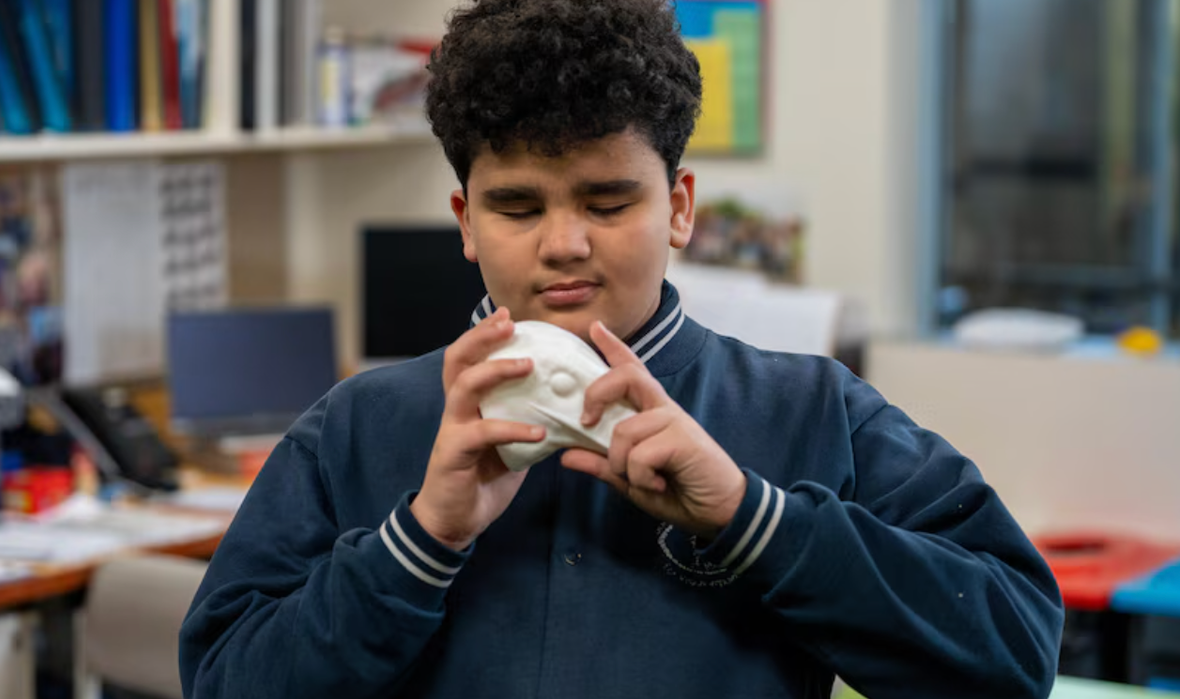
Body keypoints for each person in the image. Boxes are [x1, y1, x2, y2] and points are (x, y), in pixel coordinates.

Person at [179, 1, 1064, 697]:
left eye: (607, 202)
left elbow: (1012, 656)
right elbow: (225, 680)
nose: (563, 243)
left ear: (678, 208)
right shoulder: (357, 425)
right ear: (465, 224)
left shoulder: (809, 410)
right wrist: (420, 539)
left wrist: (754, 521)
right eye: (517, 207)